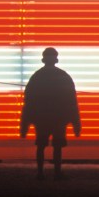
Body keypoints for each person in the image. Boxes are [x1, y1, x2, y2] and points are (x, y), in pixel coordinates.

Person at [19, 46, 80, 179]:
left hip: (41, 118)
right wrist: (76, 123)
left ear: (43, 59)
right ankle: (57, 172)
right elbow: (71, 101)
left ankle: (40, 172)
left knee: (40, 145)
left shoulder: (37, 76)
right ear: (56, 59)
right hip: (59, 118)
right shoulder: (63, 76)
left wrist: (24, 125)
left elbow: (28, 101)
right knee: (57, 146)